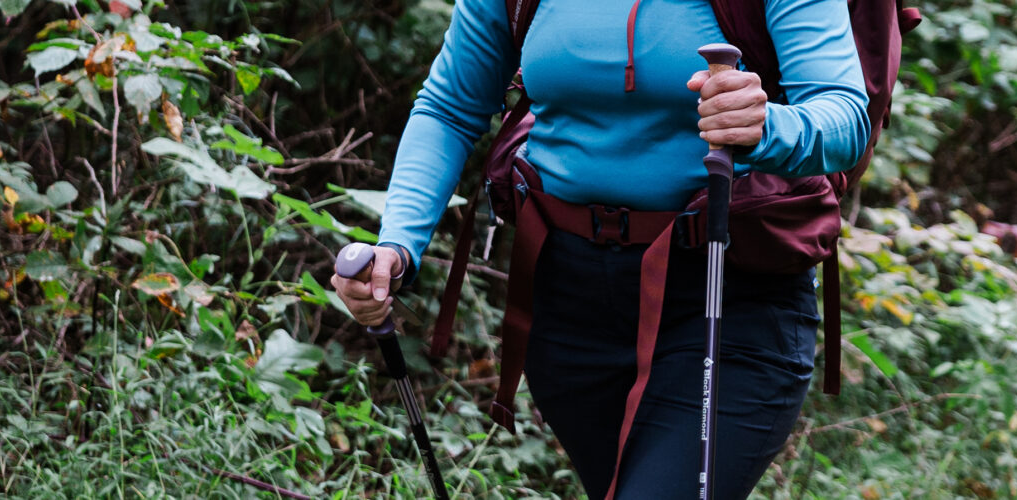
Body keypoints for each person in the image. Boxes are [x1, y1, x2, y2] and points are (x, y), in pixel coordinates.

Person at [330, 0, 869, 497]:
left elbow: (846, 117)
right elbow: (449, 106)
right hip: (567, 305)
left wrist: (768, 124)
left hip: (726, 300)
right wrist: (398, 243)